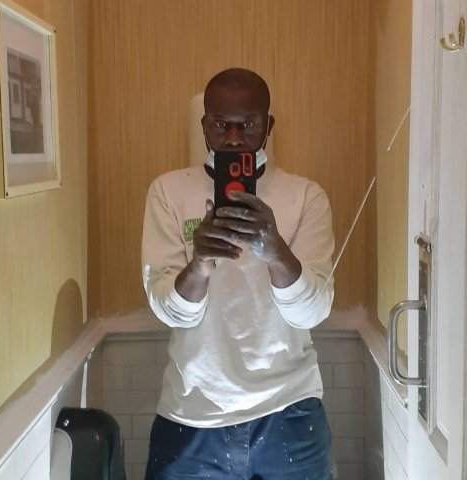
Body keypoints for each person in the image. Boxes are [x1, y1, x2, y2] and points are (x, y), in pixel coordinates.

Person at [142, 68, 334, 480]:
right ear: (203, 125)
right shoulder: (169, 192)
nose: (232, 138)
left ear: (268, 126)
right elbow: (169, 313)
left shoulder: (306, 197)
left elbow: (312, 313)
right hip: (194, 411)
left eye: (247, 124)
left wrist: (275, 250)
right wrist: (199, 263)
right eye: (220, 124)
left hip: (289, 409)